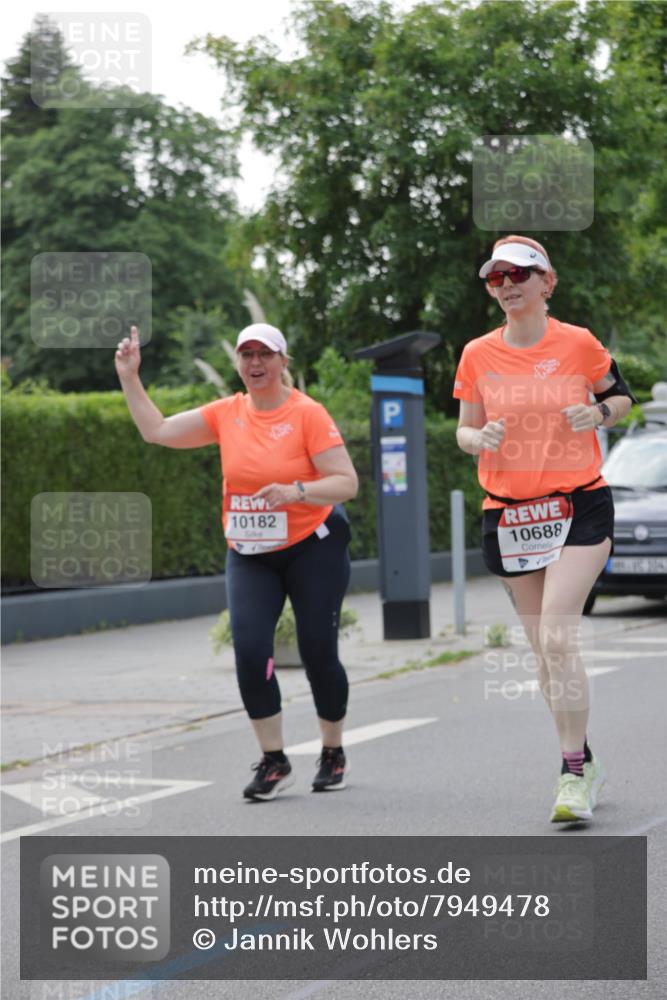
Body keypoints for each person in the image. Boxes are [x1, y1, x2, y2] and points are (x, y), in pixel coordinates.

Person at [115, 322, 358, 801]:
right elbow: (157, 430)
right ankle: (274, 760)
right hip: (250, 553)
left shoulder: (307, 414)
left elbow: (346, 482)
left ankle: (332, 750)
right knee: (250, 651)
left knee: (317, 652)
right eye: (246, 355)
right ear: (238, 365)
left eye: (264, 355)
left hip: (314, 544)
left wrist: (297, 491)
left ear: (282, 362)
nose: (255, 363)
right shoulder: (227, 413)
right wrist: (129, 375)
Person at [454, 235, 636, 823]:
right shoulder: (477, 353)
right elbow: (464, 427)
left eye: (519, 274)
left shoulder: (578, 343)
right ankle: (582, 754)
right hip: (509, 513)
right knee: (542, 654)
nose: (507, 284)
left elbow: (622, 397)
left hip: (578, 505)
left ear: (546, 282)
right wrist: (475, 439)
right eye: (496, 277)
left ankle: (572, 776)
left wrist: (598, 413)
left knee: (558, 640)